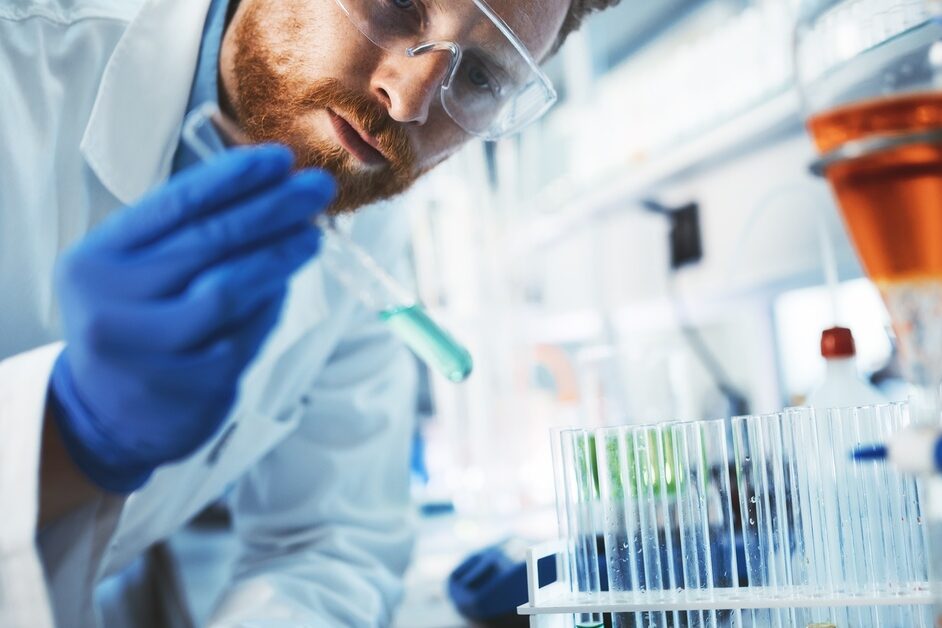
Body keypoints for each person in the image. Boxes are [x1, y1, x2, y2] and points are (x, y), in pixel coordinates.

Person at [0, 0, 619, 625]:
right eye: (399, 4)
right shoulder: (17, 72)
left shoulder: (367, 227)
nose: (408, 100)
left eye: (482, 76)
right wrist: (67, 432)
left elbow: (332, 545)